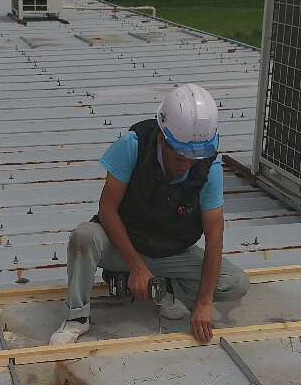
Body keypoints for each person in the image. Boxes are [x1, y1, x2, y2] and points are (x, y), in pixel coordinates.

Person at [50, 84, 249, 346]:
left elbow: (215, 237)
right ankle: (77, 317)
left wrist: (203, 303)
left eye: (195, 158)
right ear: (162, 139)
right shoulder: (133, 145)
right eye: (181, 158)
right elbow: (107, 210)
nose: (187, 166)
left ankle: (163, 287)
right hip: (124, 245)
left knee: (235, 283)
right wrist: (136, 266)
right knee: (84, 236)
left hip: (170, 252)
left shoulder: (209, 166)